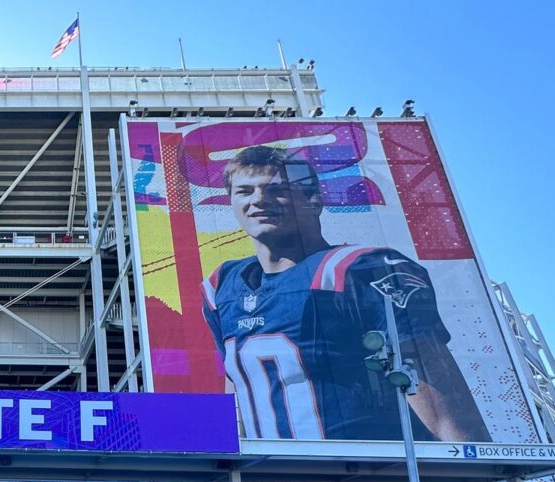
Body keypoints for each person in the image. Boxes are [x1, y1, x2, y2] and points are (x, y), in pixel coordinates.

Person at [202, 145, 489, 443]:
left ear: (314, 200)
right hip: (273, 478)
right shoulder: (223, 285)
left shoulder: (362, 269)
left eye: (277, 190)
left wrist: (478, 478)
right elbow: (238, 388)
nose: (259, 200)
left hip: (372, 478)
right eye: (245, 191)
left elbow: (440, 402)